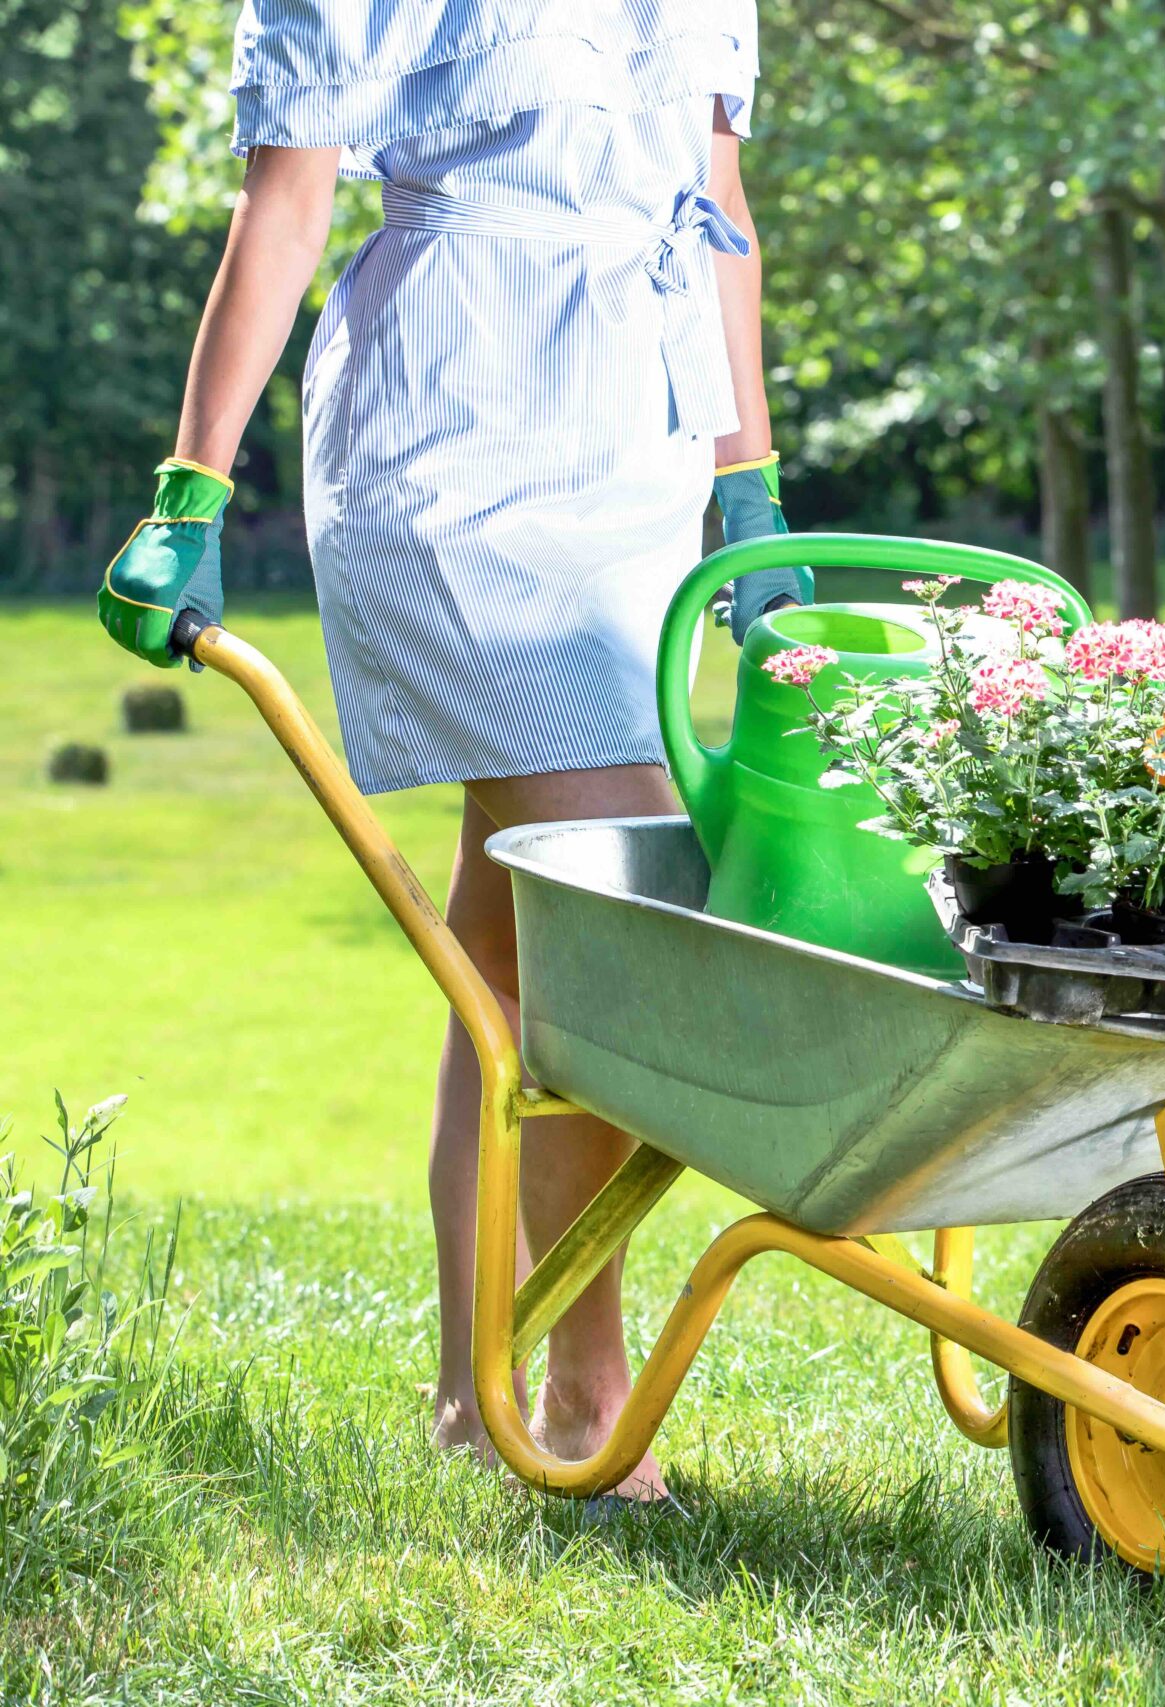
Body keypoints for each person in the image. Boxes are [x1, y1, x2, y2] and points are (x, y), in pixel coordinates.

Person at [95, 3, 811, 1502]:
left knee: (506, 951)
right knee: (598, 918)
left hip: (642, 444)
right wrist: (189, 488)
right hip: (457, 440)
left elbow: (720, 204)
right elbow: (284, 203)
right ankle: (585, 1391)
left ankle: (470, 1390)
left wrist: (749, 481)